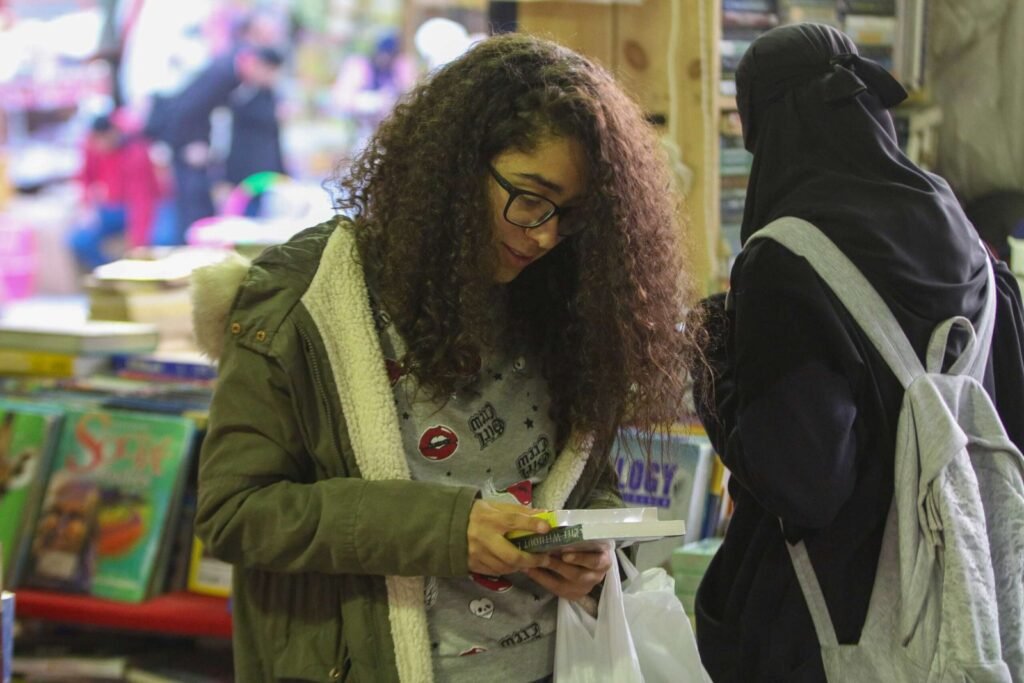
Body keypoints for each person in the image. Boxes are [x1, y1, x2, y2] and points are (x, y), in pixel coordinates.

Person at [190, 33, 696, 683]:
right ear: (456, 168)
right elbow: (236, 513)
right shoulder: (304, 299)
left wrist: (592, 557)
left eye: (568, 215)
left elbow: (580, 475)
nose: (543, 234)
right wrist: (447, 529)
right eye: (530, 197)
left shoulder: (560, 301)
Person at [691, 23, 1024, 682]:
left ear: (769, 131)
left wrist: (713, 364)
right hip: (965, 615)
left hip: (827, 639)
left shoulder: (786, 259)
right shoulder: (968, 241)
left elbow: (802, 480)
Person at [162, 43, 285, 240]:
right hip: (187, 147)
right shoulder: (223, 75)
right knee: (193, 212)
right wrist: (190, 143)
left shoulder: (245, 85)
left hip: (207, 152)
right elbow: (187, 109)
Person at [69, 112, 164, 270]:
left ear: (113, 133)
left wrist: (138, 240)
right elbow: (85, 177)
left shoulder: (135, 153)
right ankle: (109, 271)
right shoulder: (93, 147)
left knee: (161, 240)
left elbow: (142, 199)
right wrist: (86, 205)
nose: (100, 145)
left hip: (140, 207)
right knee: (79, 240)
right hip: (112, 208)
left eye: (103, 140)